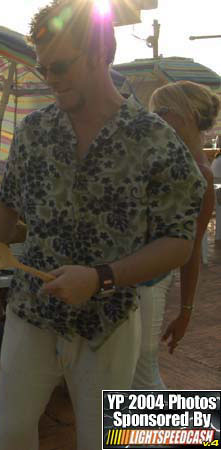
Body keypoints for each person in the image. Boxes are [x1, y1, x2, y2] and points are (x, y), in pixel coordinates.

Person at [0, 1, 206, 448]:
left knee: (101, 442)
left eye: (61, 67)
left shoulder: (154, 139)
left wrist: (100, 278)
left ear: (100, 54)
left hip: (108, 321)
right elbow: (5, 207)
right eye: (44, 69)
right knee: (9, 436)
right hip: (31, 310)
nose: (50, 80)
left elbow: (178, 242)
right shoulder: (34, 131)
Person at [132, 81, 219, 389]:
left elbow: (192, 251)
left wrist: (186, 312)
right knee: (136, 373)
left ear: (189, 115)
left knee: (141, 373)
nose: (155, 117)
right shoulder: (165, 162)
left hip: (148, 285)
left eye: (162, 111)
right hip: (138, 280)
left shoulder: (200, 173)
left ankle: (188, 434)